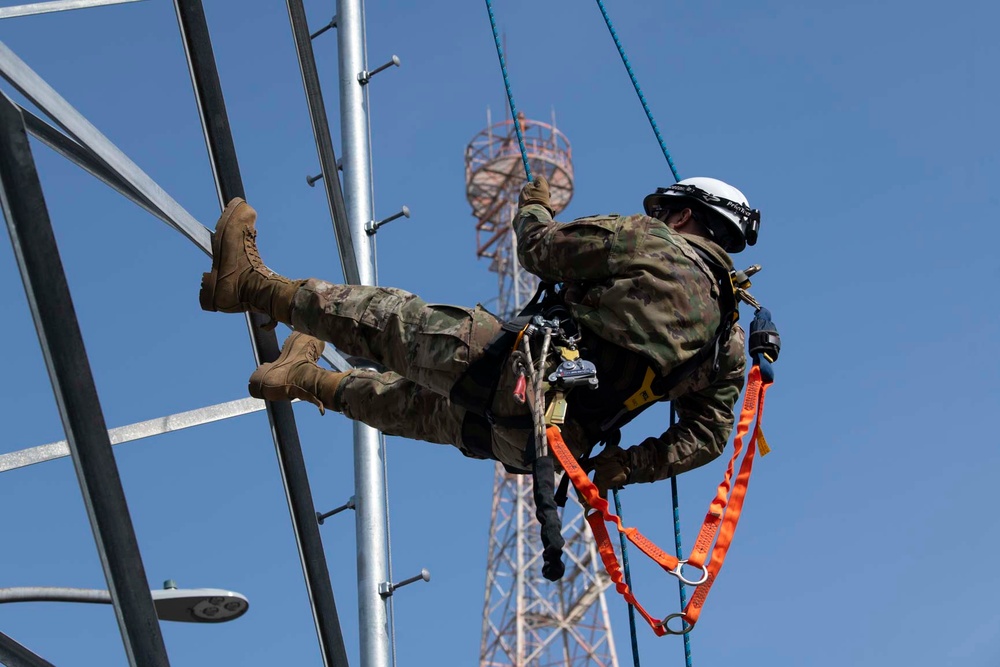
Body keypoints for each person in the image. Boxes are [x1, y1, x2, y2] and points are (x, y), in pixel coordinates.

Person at [199, 175, 760, 495]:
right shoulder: (727, 343)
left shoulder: (652, 242)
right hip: (538, 442)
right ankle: (306, 379)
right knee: (415, 408)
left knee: (392, 322)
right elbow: (708, 439)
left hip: (518, 370)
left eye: (667, 211)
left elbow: (539, 250)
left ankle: (247, 287)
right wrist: (630, 466)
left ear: (684, 216)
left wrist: (533, 207)